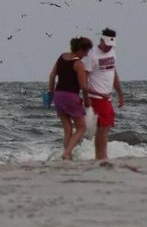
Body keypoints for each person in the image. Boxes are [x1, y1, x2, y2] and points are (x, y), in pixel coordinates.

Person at [48, 37, 110, 160]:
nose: (87, 54)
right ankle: (67, 152)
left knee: (67, 129)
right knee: (82, 127)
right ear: (82, 50)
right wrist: (101, 94)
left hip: (58, 96)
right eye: (87, 51)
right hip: (71, 97)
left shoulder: (62, 57)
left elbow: (52, 76)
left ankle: (67, 155)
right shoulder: (78, 63)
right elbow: (84, 86)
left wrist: (51, 92)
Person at [83, 28, 124, 160]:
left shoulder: (112, 52)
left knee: (105, 128)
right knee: (102, 128)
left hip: (107, 97)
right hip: (96, 96)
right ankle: (101, 156)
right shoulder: (92, 55)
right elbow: (84, 78)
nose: (108, 48)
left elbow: (114, 74)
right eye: (106, 45)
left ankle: (101, 156)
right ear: (101, 40)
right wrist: (86, 98)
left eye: (111, 45)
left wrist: (120, 94)